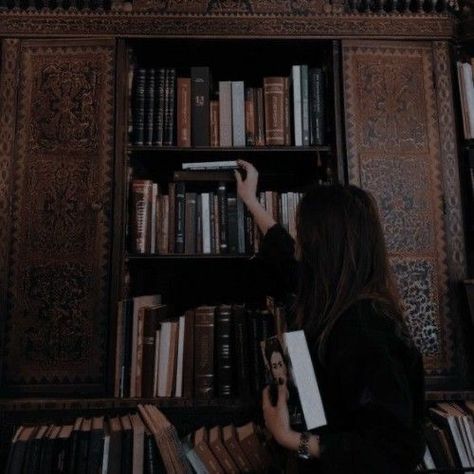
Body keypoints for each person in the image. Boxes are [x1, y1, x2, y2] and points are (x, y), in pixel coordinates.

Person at [234, 160, 425, 473]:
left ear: (323, 246)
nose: (299, 247)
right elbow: (287, 261)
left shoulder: (366, 327)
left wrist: (289, 437)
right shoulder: (335, 301)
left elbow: (394, 449)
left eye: (304, 236)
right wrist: (251, 201)